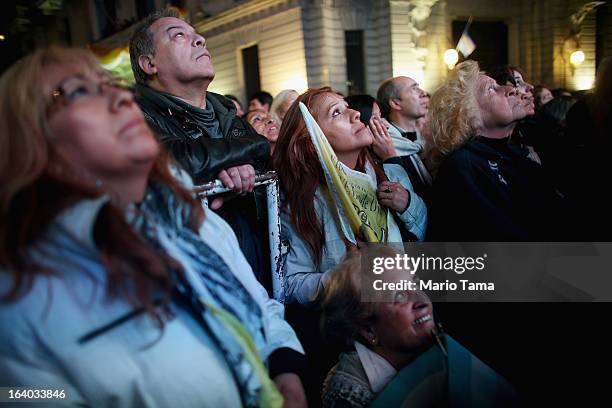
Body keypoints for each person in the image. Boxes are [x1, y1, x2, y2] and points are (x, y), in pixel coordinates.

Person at [0, 46, 307, 408]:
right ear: (28, 137)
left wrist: (284, 367)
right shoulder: (17, 301)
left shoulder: (188, 216)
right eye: (79, 91)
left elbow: (255, 300)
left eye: (112, 84)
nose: (118, 98)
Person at [129, 9, 270, 283]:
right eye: (179, 36)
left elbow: (261, 147)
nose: (201, 40)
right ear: (149, 64)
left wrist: (234, 165)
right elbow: (172, 159)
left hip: (261, 277)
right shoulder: (133, 115)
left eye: (197, 35)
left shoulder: (227, 112)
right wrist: (229, 163)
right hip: (194, 280)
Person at [272, 87, 427, 305]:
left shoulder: (389, 174)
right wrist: (346, 277)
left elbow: (426, 233)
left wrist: (409, 205)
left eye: (347, 107)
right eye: (336, 113)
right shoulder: (305, 204)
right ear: (312, 140)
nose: (355, 114)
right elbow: (290, 285)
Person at [319, 253, 519, 408]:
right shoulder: (347, 395)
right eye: (399, 295)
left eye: (415, 284)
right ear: (369, 330)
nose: (422, 301)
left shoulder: (445, 342)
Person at [426, 60, 566, 241]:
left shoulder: (517, 152)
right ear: (467, 114)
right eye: (491, 89)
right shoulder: (463, 166)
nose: (511, 89)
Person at [376, 77, 433, 201]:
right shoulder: (382, 143)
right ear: (395, 103)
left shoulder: (428, 140)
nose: (423, 93)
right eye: (414, 89)